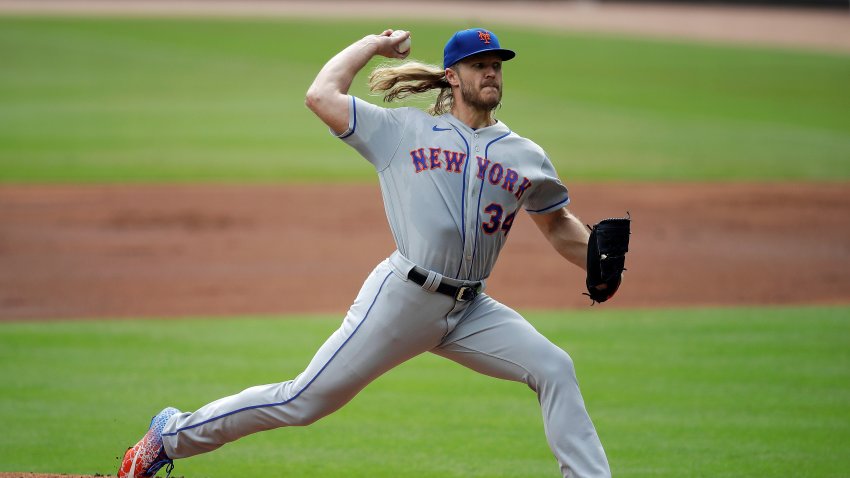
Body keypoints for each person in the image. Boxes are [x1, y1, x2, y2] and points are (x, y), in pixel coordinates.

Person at [118, 27, 613, 478]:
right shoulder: (401, 131)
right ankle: (170, 435)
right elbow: (320, 95)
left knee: (554, 367)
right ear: (452, 76)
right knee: (304, 400)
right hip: (404, 298)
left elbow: (557, 225)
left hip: (471, 309)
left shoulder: (525, 153)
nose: (490, 72)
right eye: (479, 64)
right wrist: (373, 44)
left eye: (497, 65)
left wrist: (597, 256)